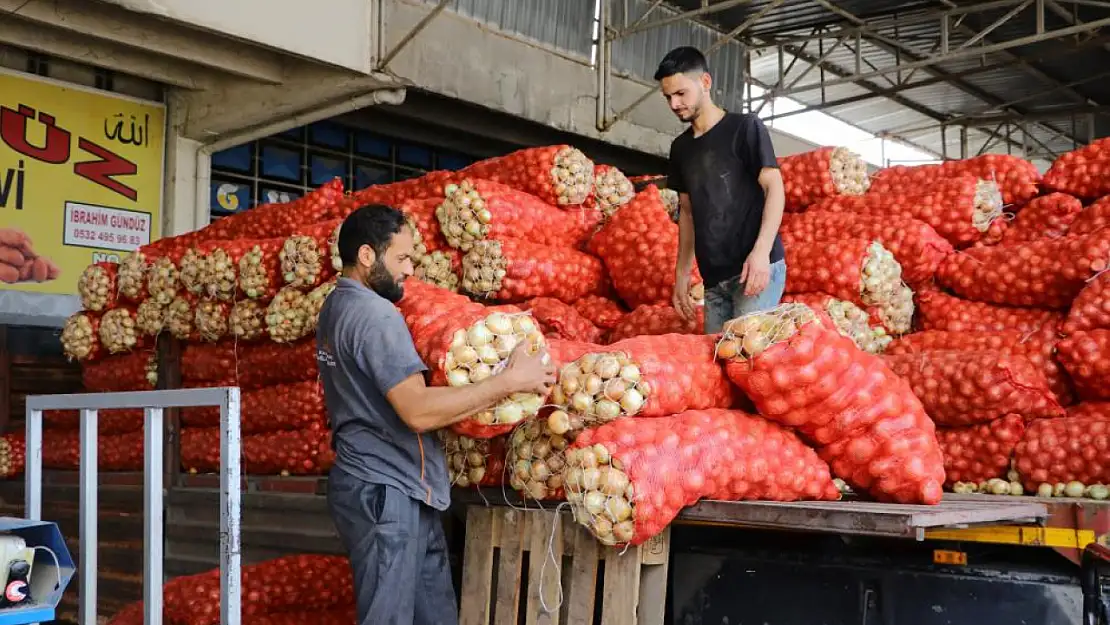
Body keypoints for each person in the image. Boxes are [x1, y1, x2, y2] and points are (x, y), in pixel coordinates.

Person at [315, 204, 557, 625]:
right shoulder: (374, 316)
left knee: (436, 614)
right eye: (402, 259)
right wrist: (508, 382)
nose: (410, 271)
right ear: (368, 256)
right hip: (384, 490)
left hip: (401, 486)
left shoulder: (336, 306)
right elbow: (417, 412)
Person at [654, 46, 788, 334]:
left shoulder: (745, 128)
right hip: (714, 280)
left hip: (755, 269)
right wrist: (682, 274)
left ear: (705, 83)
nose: (674, 104)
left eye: (681, 94)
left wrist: (762, 253)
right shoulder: (681, 148)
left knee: (744, 360)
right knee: (717, 365)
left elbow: (775, 188)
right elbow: (687, 213)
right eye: (667, 97)